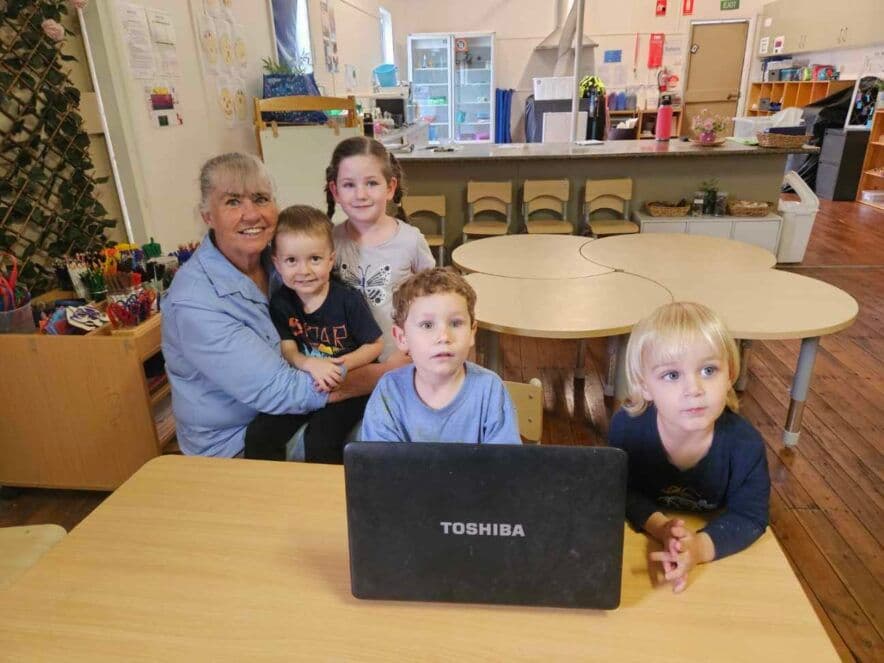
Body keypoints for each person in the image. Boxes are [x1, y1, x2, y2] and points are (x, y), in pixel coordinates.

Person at [162, 153, 348, 459]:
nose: (251, 215)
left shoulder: (280, 262)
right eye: (233, 201)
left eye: (261, 199)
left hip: (289, 409)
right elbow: (283, 391)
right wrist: (384, 375)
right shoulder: (194, 301)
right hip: (238, 440)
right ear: (207, 215)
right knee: (381, 443)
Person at [608, 301, 770, 593]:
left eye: (708, 370)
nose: (694, 389)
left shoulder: (745, 447)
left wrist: (698, 548)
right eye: (672, 375)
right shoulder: (626, 430)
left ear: (730, 375)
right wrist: (660, 527)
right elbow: (621, 491)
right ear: (644, 386)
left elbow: (750, 517)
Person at [244, 205, 383, 461]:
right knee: (259, 434)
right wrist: (309, 364)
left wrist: (341, 366)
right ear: (277, 264)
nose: (304, 270)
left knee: (320, 439)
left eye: (315, 259)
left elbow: (375, 345)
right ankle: (266, 485)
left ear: (331, 260)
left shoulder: (348, 300)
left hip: (351, 385)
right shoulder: (282, 302)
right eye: (291, 261)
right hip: (309, 382)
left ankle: (326, 488)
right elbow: (288, 347)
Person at [359, 268, 520, 444]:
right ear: (402, 337)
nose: (444, 337)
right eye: (427, 325)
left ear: (472, 332)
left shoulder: (490, 390)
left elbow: (504, 460)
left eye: (456, 323)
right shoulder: (389, 391)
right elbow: (380, 460)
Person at [325, 136, 436, 364]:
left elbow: (434, 296)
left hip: (400, 360)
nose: (361, 194)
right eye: (349, 185)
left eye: (372, 183)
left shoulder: (410, 240)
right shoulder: (329, 241)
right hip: (347, 363)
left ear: (390, 187)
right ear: (335, 191)